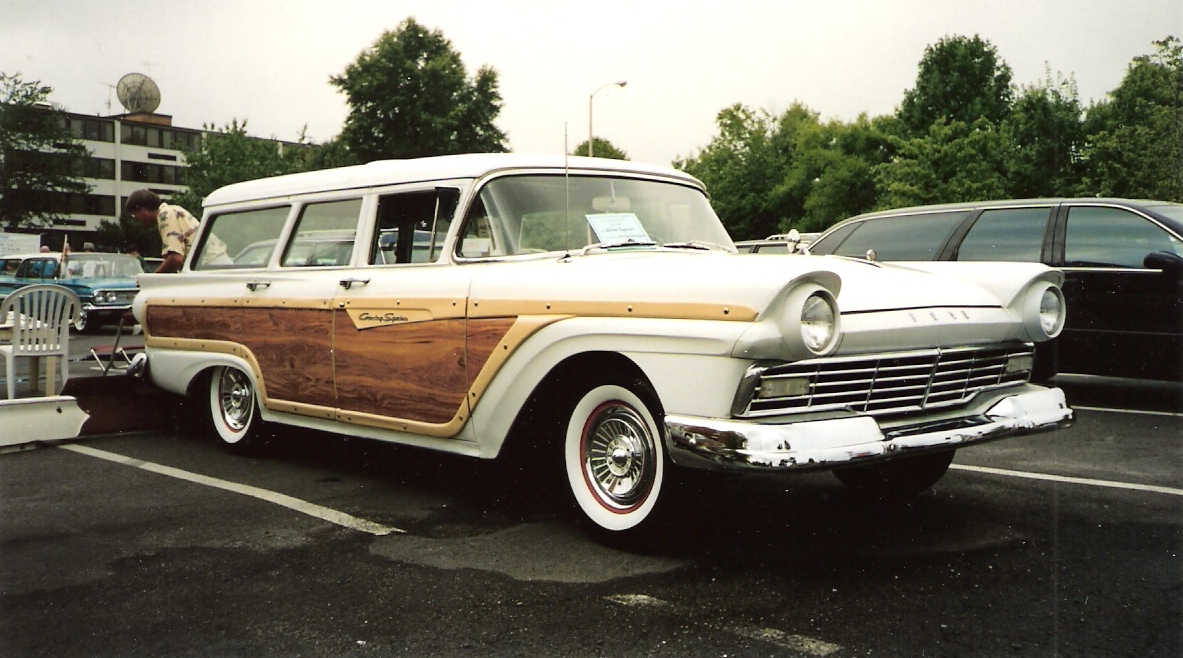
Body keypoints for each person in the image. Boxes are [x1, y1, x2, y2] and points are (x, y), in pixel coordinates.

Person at [126, 189, 231, 273]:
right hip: (216, 264)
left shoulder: (165, 216)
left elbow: (175, 259)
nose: (136, 219)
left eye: (135, 214)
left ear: (143, 210)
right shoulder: (173, 210)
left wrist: (151, 279)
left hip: (210, 268)